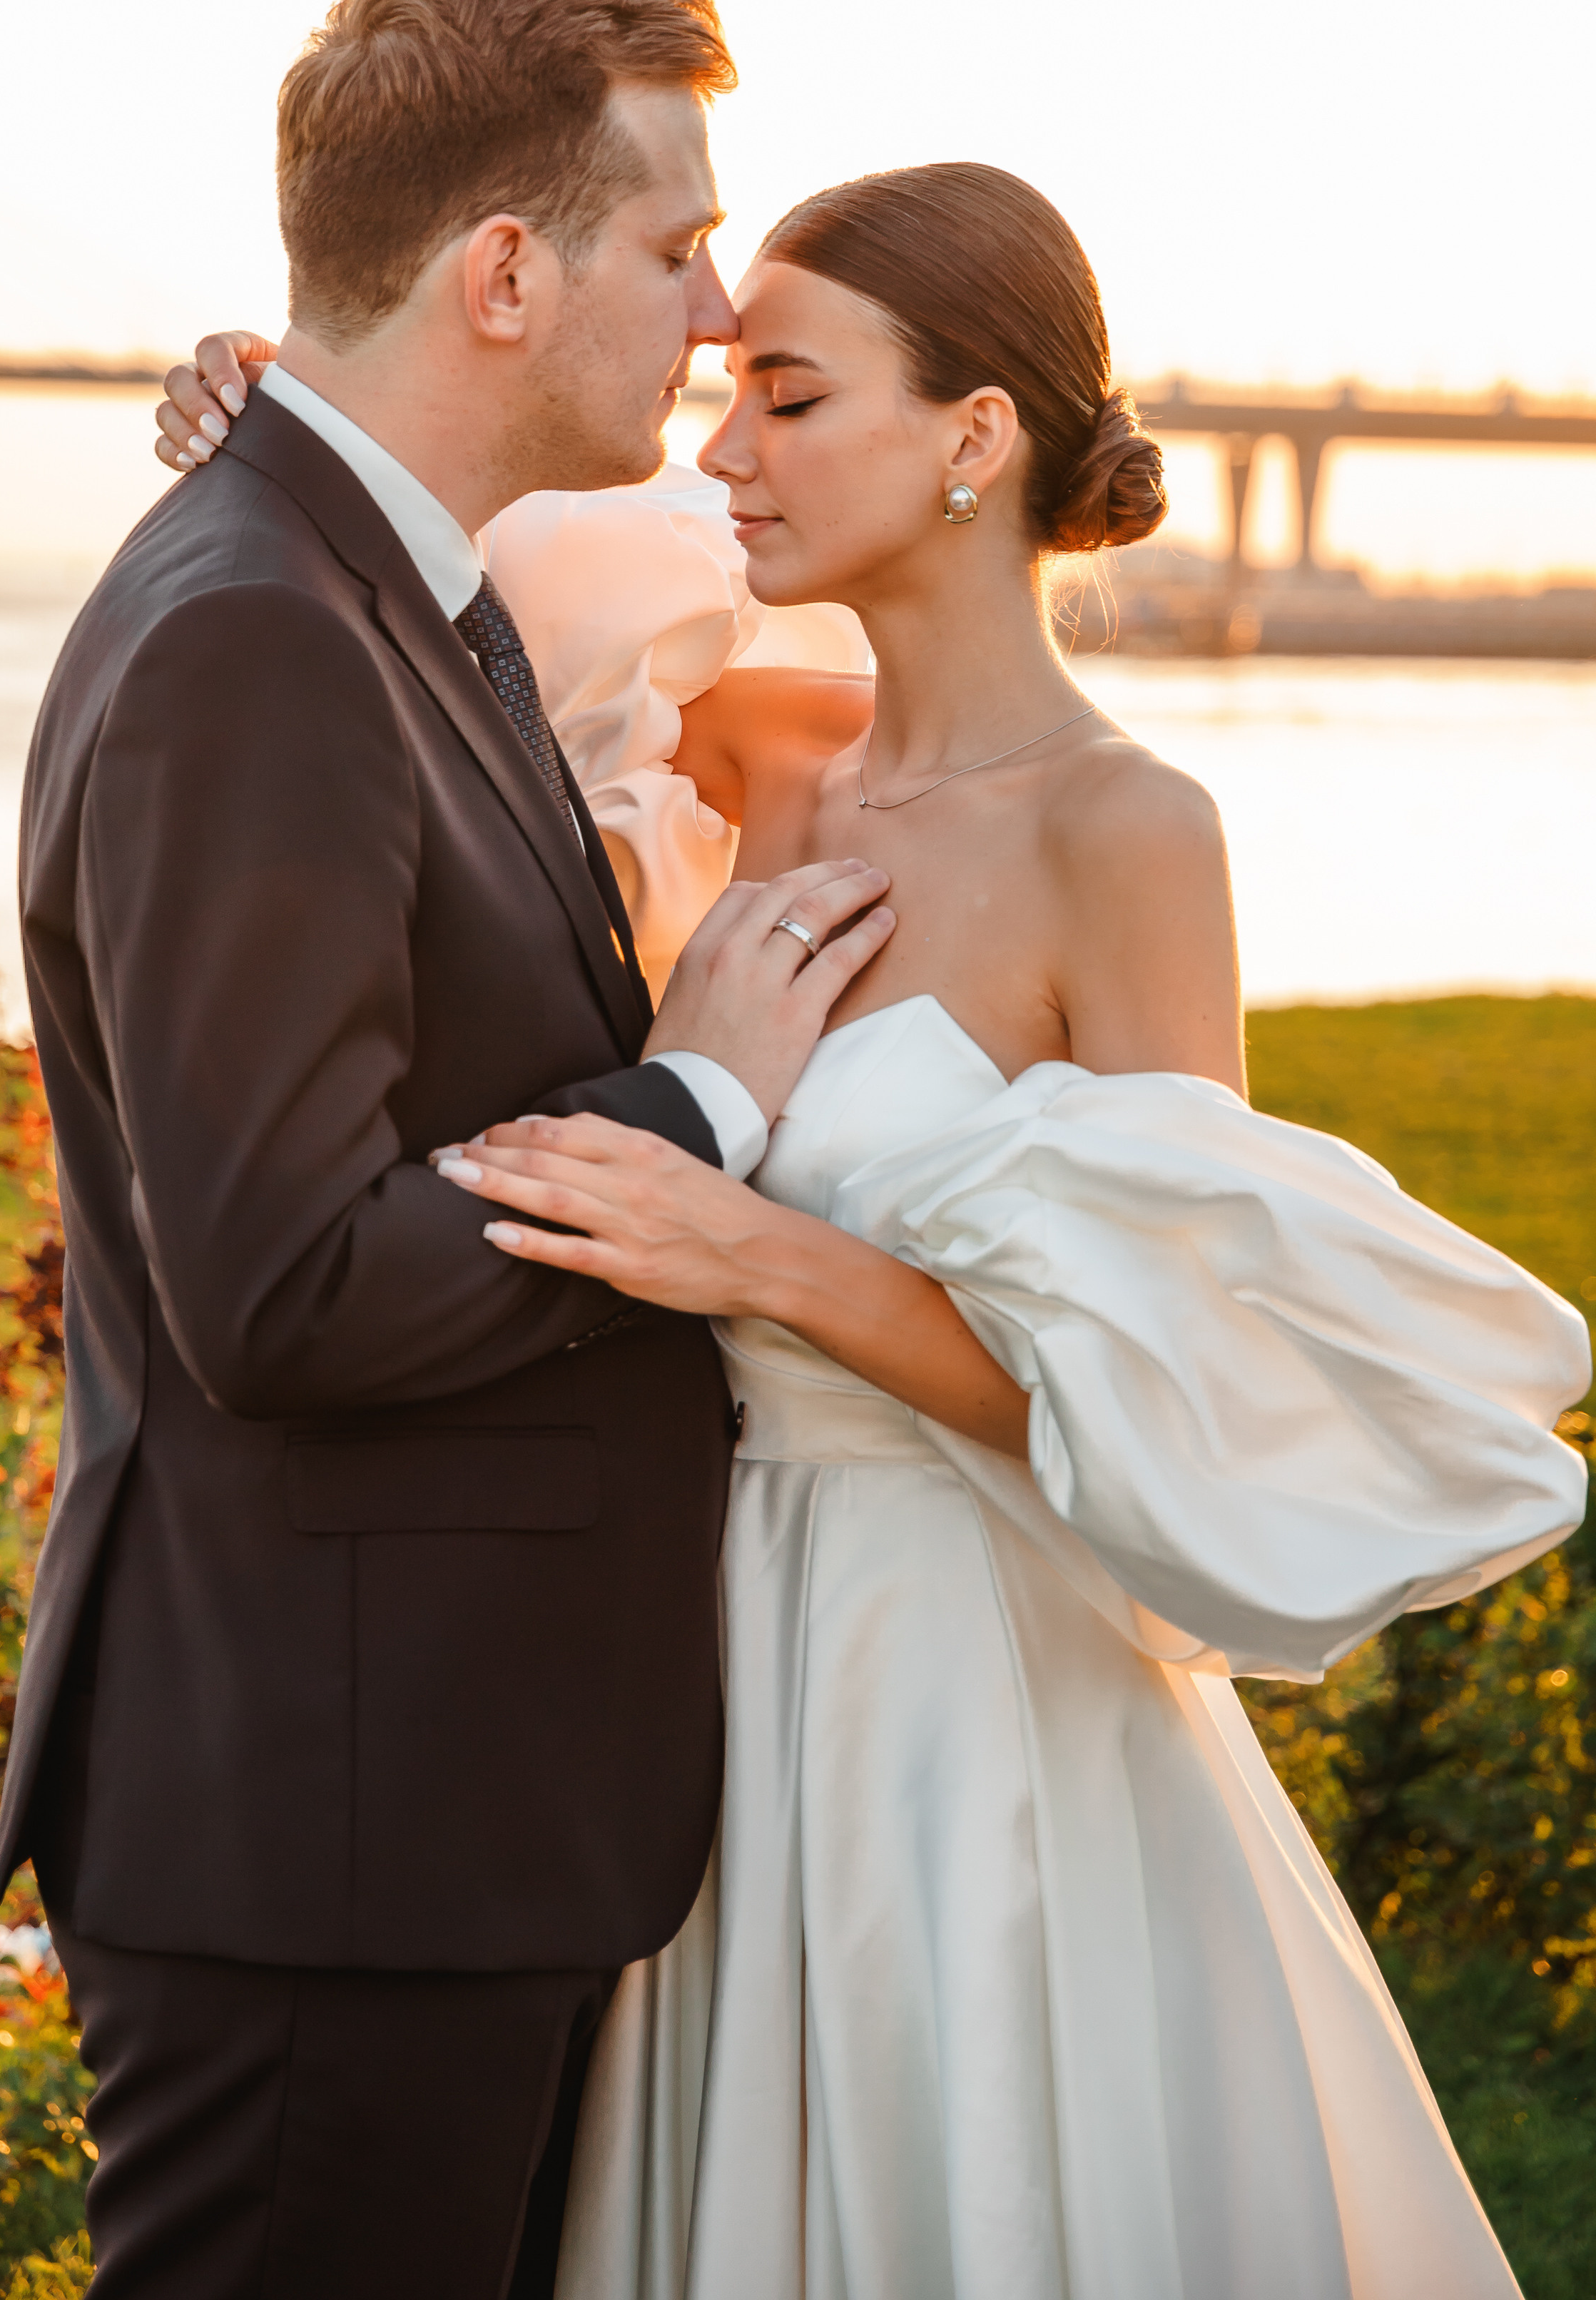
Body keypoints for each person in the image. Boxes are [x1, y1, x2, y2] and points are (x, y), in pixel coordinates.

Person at [168, 161, 1592, 2296]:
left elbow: (1145, 1385)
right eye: (730, 386)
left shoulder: (1132, 835)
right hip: (697, 1682)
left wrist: (754, 1257)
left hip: (966, 1697)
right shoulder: (749, 753)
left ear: (974, 441)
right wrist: (264, 423)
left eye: (791, 399)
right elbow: (414, 598)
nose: (722, 446)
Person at [0, 0, 900, 2300]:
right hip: (333, 1843)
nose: (716, 309)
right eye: (678, 242)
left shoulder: (400, 590)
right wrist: (696, 1097)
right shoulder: (259, 635)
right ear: (508, 271)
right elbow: (285, 1289)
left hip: (428, 1820)